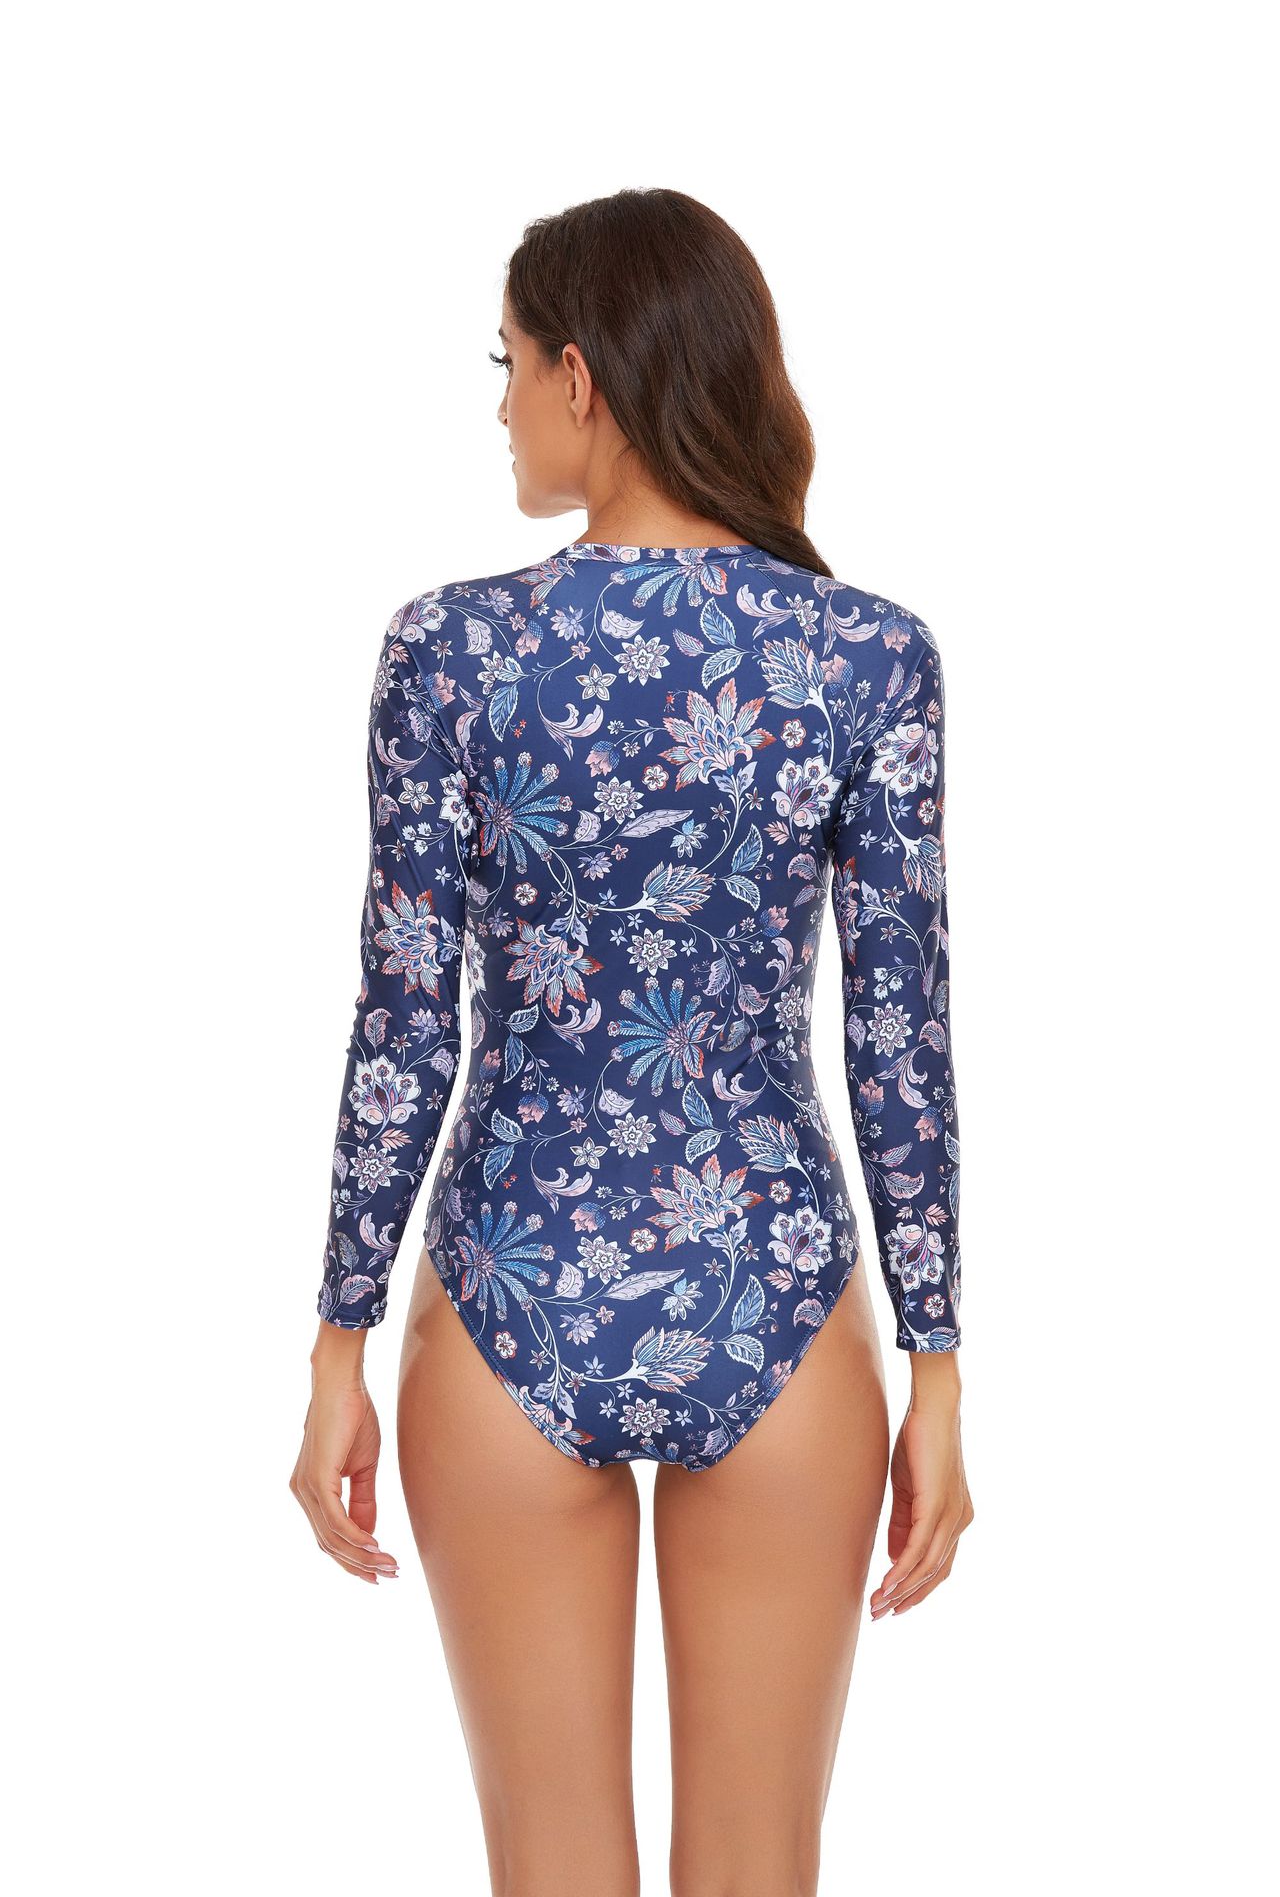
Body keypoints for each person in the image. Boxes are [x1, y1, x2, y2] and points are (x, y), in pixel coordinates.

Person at [290, 187, 974, 1897]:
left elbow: (402, 1019)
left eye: (507, 365)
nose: (502, 407)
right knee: (759, 1872)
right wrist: (939, 1366)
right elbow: (900, 1037)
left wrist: (338, 1343)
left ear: (581, 377)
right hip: (776, 1290)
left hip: (506, 1290)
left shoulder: (448, 650)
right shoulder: (868, 657)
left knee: (550, 1872)